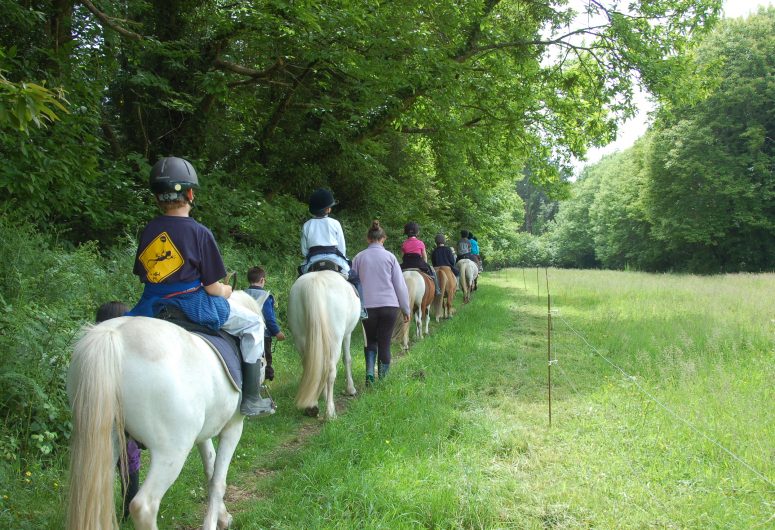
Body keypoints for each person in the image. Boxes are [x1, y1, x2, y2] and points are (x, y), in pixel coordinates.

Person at [126, 156, 274, 417]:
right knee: (253, 324)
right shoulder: (199, 232)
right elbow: (212, 288)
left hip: (152, 303)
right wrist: (227, 291)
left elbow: (146, 275)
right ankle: (251, 397)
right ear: (190, 194)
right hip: (192, 304)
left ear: (157, 198)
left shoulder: (149, 230)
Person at [95, 301, 140, 521]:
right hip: (124, 421)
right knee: (129, 458)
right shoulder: (128, 355)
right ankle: (127, 512)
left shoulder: (92, 353)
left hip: (98, 421)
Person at [351, 220, 410, 384]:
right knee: (385, 342)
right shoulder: (390, 257)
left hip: (367, 307)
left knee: (370, 341)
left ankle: (369, 375)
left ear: (368, 239)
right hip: (389, 307)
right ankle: (383, 380)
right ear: (383, 238)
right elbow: (400, 285)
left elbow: (353, 284)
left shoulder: (358, 257)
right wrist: (406, 309)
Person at [300, 187, 367, 318]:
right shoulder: (335, 223)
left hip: (313, 260)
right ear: (327, 209)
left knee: (299, 281)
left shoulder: (307, 225)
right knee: (356, 280)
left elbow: (304, 251)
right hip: (334, 258)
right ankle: (362, 309)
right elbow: (342, 248)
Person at [245, 266, 286, 381]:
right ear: (262, 280)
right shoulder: (265, 296)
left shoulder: (243, 293)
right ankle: (263, 381)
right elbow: (268, 317)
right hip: (263, 335)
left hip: (244, 333)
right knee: (265, 359)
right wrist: (277, 332)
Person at [399, 221, 441, 295]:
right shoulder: (420, 243)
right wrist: (425, 263)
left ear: (406, 232)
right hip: (419, 263)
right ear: (417, 232)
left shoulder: (404, 243)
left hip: (406, 264)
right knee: (432, 270)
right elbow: (424, 256)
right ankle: (437, 289)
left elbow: (402, 256)